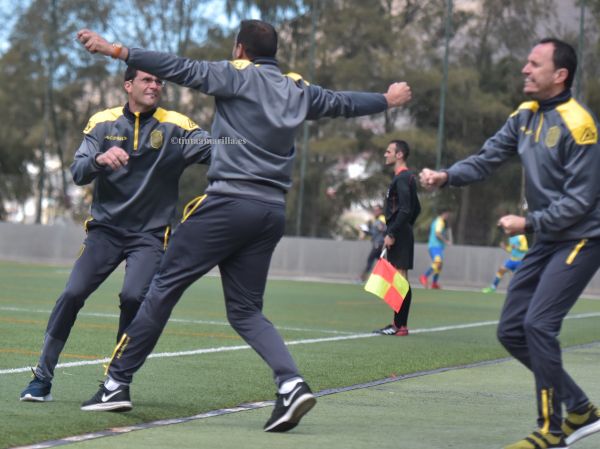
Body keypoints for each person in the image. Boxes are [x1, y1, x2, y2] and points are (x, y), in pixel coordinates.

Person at [76, 20, 412, 432]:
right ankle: (290, 384)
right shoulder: (296, 89)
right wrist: (386, 99)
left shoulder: (236, 75)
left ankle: (115, 385)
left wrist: (116, 51)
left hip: (227, 205)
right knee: (246, 310)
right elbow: (341, 102)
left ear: (239, 49)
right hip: (270, 212)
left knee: (161, 288)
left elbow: (178, 67)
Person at [420, 38, 600, 449]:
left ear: (560, 75)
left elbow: (580, 201)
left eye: (535, 64)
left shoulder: (580, 124)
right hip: (547, 237)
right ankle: (581, 410)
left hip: (583, 237)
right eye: (526, 62)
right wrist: (446, 176)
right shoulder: (524, 115)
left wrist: (528, 222)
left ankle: (551, 431)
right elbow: (487, 158)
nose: (525, 69)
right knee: (512, 331)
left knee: (539, 325)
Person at [19, 68, 212, 402]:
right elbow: (79, 171)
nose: (155, 85)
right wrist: (99, 158)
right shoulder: (102, 123)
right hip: (105, 232)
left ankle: (115, 383)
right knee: (72, 293)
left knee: (134, 297)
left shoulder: (177, 126)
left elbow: (220, 147)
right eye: (147, 80)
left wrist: (245, 135)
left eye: (159, 81)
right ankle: (42, 378)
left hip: (150, 236)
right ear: (128, 85)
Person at [373, 140, 420, 336]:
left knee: (400, 279)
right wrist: (405, 226)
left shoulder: (402, 178)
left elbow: (406, 209)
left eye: (388, 151)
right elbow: (416, 208)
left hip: (399, 234)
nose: (386, 154)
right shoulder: (406, 178)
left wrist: (393, 232)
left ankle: (400, 326)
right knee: (399, 279)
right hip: (402, 231)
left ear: (399, 155)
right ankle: (398, 324)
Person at [419, 210, 451, 289]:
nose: (448, 216)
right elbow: (437, 234)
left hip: (437, 247)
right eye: (448, 214)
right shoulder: (440, 221)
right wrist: (446, 241)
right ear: (444, 213)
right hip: (435, 246)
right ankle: (424, 277)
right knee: (438, 263)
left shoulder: (436, 221)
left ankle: (434, 283)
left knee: (439, 265)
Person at [359, 205, 386, 282]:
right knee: (382, 262)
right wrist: (365, 230)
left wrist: (382, 227)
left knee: (371, 260)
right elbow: (373, 233)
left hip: (379, 244)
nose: (375, 212)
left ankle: (362, 278)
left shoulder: (381, 219)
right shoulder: (376, 220)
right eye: (374, 210)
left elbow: (384, 229)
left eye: (377, 210)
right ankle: (384, 279)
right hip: (377, 244)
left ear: (380, 211)